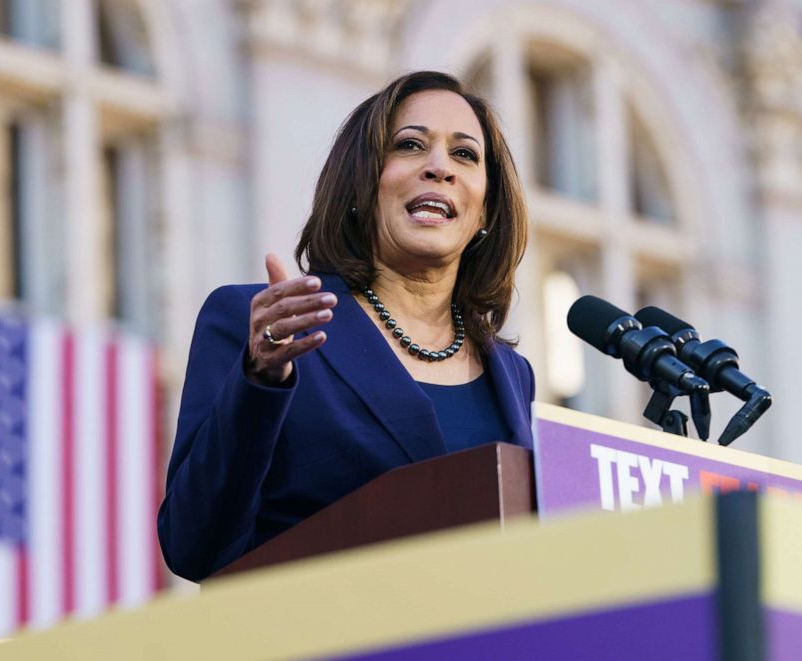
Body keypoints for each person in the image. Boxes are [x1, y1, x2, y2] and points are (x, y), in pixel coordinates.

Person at [158, 71, 533, 582]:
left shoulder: (513, 375)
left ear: (486, 208)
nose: (440, 167)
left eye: (465, 155)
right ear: (361, 183)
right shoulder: (262, 326)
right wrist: (260, 382)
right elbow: (192, 545)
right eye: (410, 145)